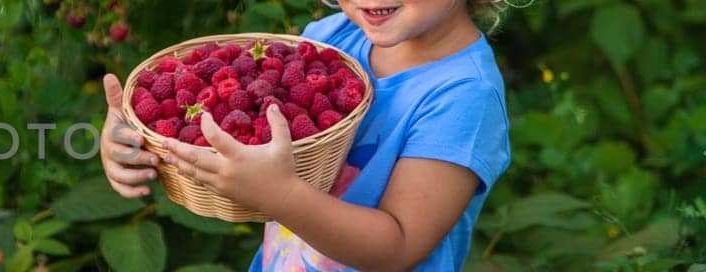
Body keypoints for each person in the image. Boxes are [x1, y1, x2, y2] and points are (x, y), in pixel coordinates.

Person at [98, 0, 515, 270]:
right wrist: (135, 137)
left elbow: (398, 247)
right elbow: (240, 127)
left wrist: (281, 196)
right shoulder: (331, 39)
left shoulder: (464, 97)